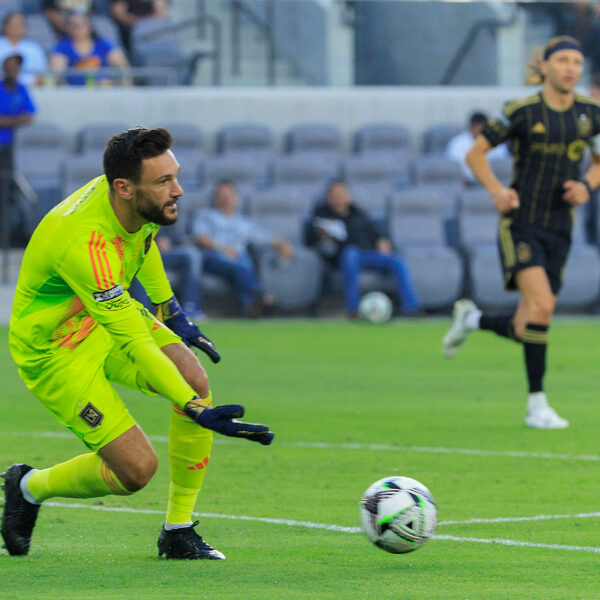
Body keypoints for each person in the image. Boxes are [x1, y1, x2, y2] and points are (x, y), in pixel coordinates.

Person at [2, 127, 274, 560]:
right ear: (124, 188)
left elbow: (142, 243)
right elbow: (135, 342)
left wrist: (171, 311)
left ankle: (178, 530)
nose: (178, 190)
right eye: (164, 182)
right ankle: (27, 486)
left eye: (176, 176)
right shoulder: (83, 242)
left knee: (193, 376)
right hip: (54, 352)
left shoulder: (124, 199)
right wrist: (193, 407)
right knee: (136, 470)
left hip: (101, 317)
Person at [442, 36, 600, 429]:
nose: (570, 68)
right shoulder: (521, 111)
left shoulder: (590, 113)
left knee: (525, 324)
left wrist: (587, 186)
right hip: (521, 222)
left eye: (576, 62)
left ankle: (473, 320)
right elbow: (474, 153)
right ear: (544, 66)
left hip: (561, 226)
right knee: (544, 306)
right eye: (562, 60)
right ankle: (537, 406)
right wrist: (497, 191)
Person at [306, 180, 422, 318]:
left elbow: (376, 233)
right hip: (344, 256)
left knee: (397, 260)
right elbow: (310, 240)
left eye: (341, 194)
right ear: (328, 197)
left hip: (368, 254)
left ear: (348, 196)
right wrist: (323, 237)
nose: (339, 198)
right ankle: (354, 309)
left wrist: (382, 240)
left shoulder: (358, 213)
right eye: (335, 194)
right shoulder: (321, 215)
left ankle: (411, 307)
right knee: (351, 254)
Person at [192, 180, 294, 317]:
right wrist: (222, 248)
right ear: (215, 198)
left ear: (237, 199)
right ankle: (260, 297)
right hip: (214, 257)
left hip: (240, 258)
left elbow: (263, 237)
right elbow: (199, 237)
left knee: (244, 262)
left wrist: (283, 244)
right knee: (242, 267)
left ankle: (249, 307)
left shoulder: (244, 222)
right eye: (221, 195)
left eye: (228, 195)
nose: (225, 198)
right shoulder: (206, 215)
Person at [0, 53, 35, 245]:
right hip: (1, 146)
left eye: (17, 66)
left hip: (12, 150)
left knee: (9, 194)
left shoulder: (21, 89)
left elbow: (30, 115)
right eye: (10, 66)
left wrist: (7, 121)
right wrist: (15, 120)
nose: (14, 70)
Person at [50, 11, 129, 86]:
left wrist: (119, 84)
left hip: (102, 90)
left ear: (90, 26)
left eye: (82, 24)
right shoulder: (62, 47)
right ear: (67, 28)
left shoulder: (103, 44)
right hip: (74, 91)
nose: (78, 28)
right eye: (73, 25)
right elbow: (56, 74)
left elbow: (122, 67)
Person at [445, 112, 510, 183]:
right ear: (470, 127)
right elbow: (453, 168)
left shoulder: (497, 142)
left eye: (483, 128)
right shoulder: (457, 143)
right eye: (476, 128)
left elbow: (503, 166)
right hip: (464, 182)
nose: (479, 131)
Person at [0, 12, 48, 87]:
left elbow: (42, 74)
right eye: (13, 25)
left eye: (20, 25)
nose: (16, 28)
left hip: (31, 90)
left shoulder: (34, 48)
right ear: (5, 26)